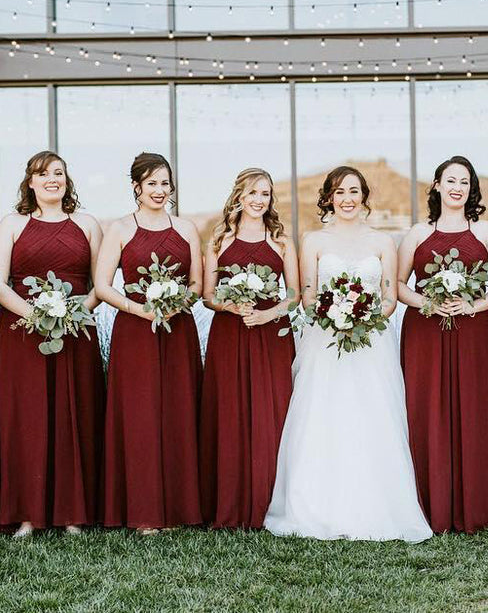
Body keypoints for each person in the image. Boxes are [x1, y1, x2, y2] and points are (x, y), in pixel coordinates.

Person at [264, 165, 431, 542]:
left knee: (372, 416)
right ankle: (316, 507)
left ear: (364, 197)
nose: (347, 199)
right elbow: (308, 295)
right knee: (324, 415)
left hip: (371, 343)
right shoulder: (313, 240)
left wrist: (364, 317)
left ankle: (378, 507)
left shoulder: (383, 241)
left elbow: (389, 297)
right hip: (325, 342)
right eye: (339, 192)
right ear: (328, 198)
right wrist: (334, 315)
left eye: (354, 191)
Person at [398, 155, 488, 533]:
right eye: (450, 180)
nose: (457, 188)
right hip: (425, 333)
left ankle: (476, 505)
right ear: (437, 186)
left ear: (471, 188)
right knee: (426, 410)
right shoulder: (417, 233)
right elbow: (397, 286)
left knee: (474, 409)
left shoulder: (486, 231)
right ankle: (430, 505)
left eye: (464, 181)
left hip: (472, 331)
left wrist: (472, 306)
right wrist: (427, 303)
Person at [96, 152, 202, 533]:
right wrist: (139, 309)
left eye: (165, 183)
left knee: (178, 413)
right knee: (139, 416)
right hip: (135, 332)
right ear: (136, 187)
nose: (160, 190)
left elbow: (197, 284)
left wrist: (179, 303)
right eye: (152, 183)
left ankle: (180, 510)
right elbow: (102, 285)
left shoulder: (187, 228)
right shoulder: (120, 229)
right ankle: (143, 511)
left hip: (178, 330)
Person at [0, 151, 104, 537]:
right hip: (22, 333)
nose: (51, 180)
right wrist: (36, 316)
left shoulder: (88, 224)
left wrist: (71, 314)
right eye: (42, 174)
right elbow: (0, 284)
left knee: (75, 413)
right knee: (26, 418)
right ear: (30, 182)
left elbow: (99, 285)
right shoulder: (12, 224)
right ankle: (27, 514)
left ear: (66, 180)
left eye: (58, 173)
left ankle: (74, 513)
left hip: (75, 333)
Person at [199, 168, 298, 529]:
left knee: (273, 411)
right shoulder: (219, 240)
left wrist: (267, 314)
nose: (259, 200)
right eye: (253, 193)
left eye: (265, 194)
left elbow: (294, 294)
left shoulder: (282, 241)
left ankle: (269, 502)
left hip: (271, 335)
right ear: (239, 196)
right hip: (230, 334)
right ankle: (229, 501)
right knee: (230, 411)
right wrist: (232, 306)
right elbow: (207, 296)